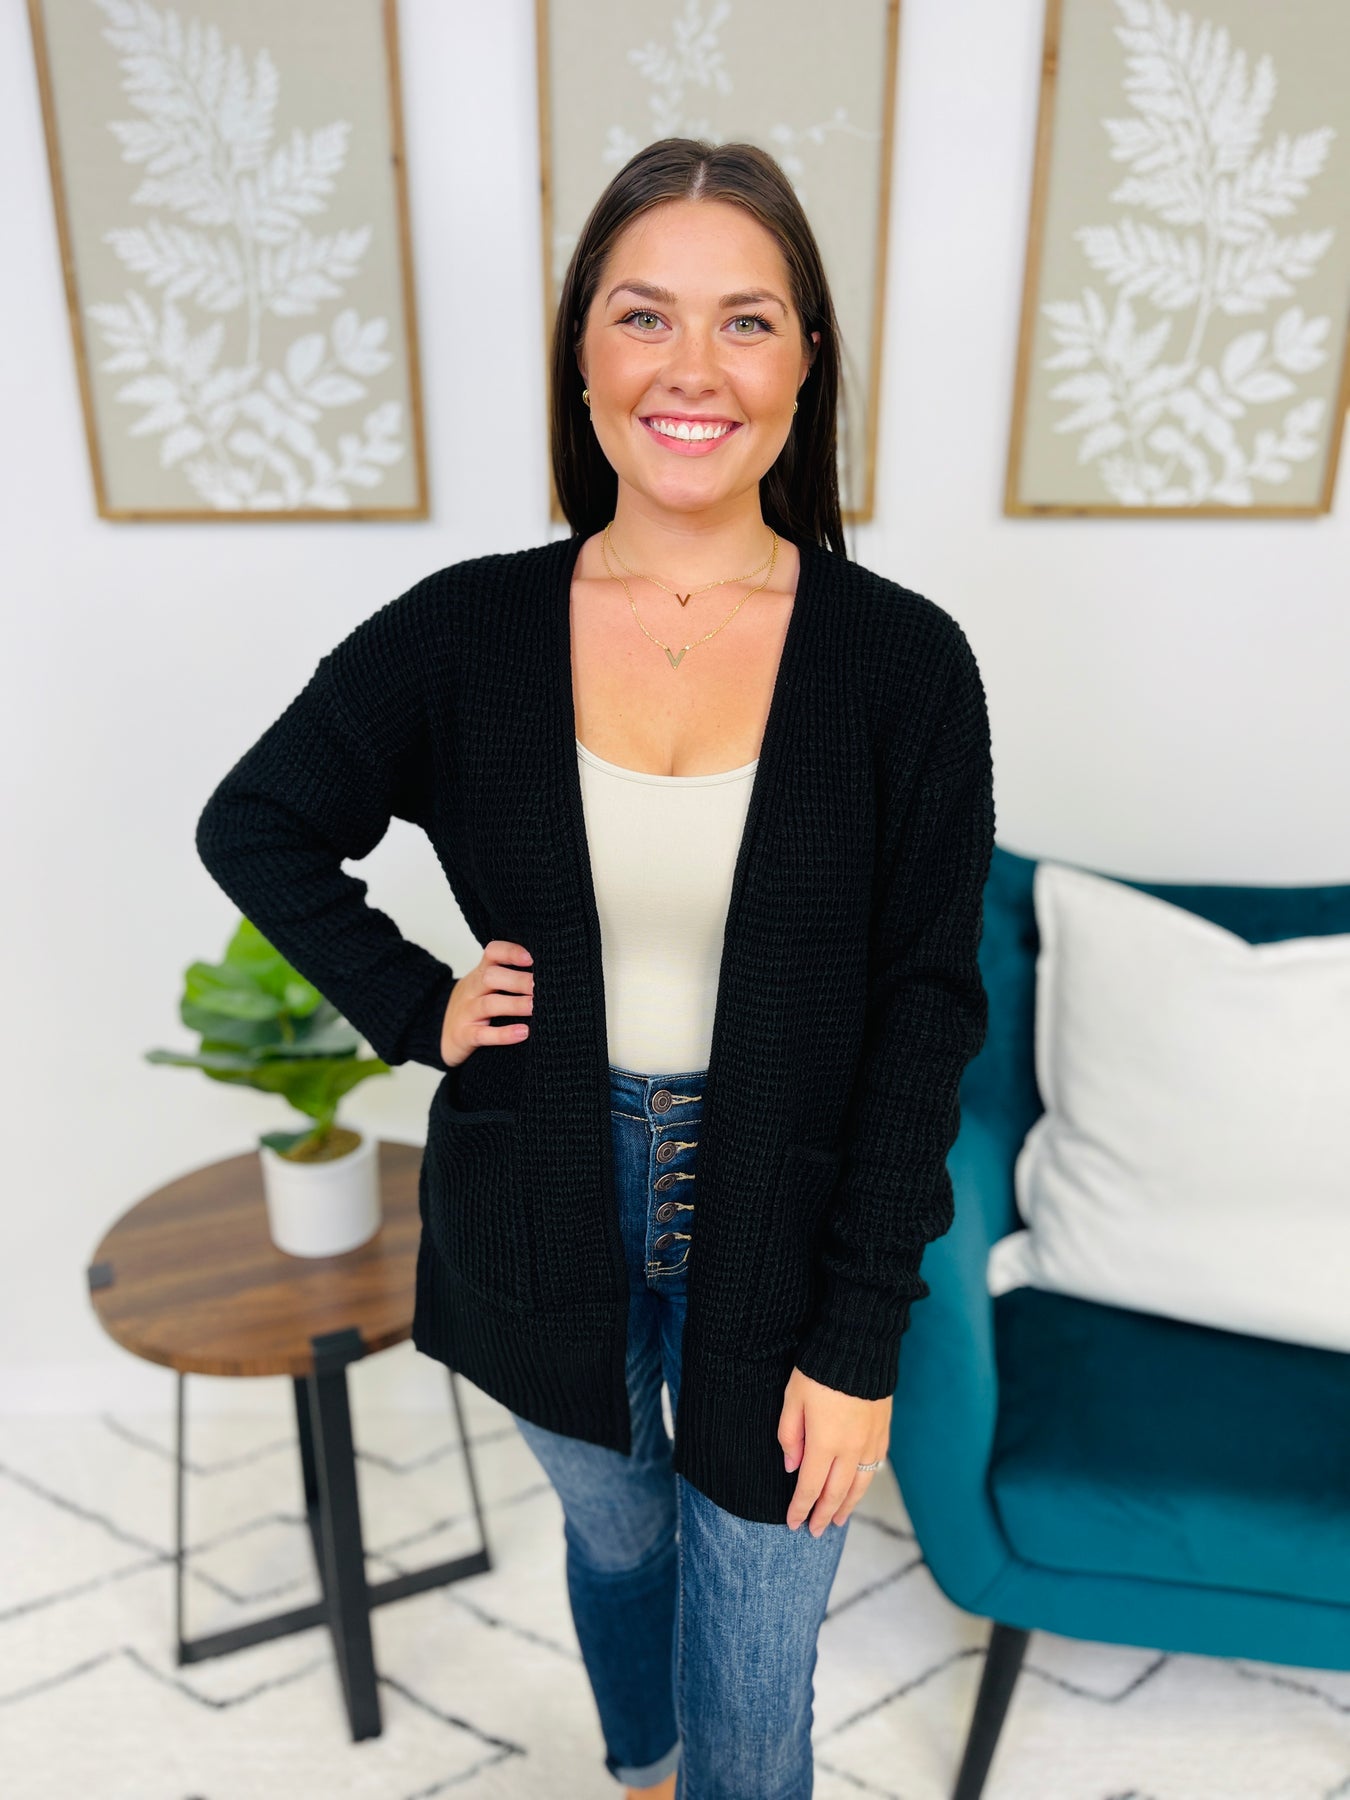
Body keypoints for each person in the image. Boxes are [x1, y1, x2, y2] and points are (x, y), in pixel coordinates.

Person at [195, 136, 995, 1800]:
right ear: (581, 355)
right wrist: (415, 1005)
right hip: (533, 1193)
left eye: (745, 321)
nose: (692, 368)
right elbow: (256, 821)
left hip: (785, 1212)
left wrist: (858, 1339)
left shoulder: (903, 663)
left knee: (758, 1654)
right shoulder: (467, 629)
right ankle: (640, 1770)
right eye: (644, 316)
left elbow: (926, 1014)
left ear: (805, 361)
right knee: (620, 1540)